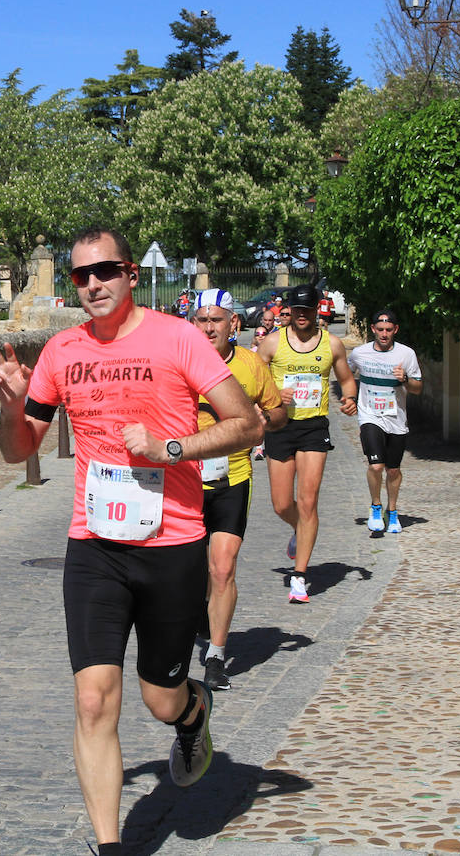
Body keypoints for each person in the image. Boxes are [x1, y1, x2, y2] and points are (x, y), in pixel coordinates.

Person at [0, 227, 263, 854]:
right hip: (95, 546)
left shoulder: (179, 338)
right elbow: (17, 452)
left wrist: (171, 449)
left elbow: (245, 424)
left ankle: (193, 714)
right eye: (80, 275)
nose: (92, 285)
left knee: (159, 698)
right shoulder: (60, 351)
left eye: (105, 271)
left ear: (131, 274)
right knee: (92, 699)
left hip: (172, 546)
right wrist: (11, 408)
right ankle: (110, 846)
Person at [191, 288, 286, 691]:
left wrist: (268, 419)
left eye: (216, 319)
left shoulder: (249, 364)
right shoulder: (180, 362)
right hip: (185, 479)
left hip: (233, 476)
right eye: (202, 320)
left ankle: (215, 654)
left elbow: (279, 412)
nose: (209, 326)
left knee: (223, 567)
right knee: (190, 572)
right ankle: (199, 614)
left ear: (234, 324)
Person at [256, 282, 358, 603]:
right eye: (297, 311)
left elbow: (345, 380)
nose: (301, 316)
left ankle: (300, 576)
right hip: (280, 426)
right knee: (282, 503)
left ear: (317, 311)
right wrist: (273, 397)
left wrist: (351, 398)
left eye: (307, 311)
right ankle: (299, 530)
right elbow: (252, 384)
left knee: (309, 499)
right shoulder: (271, 344)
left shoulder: (332, 345)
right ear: (289, 312)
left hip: (314, 426)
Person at [347, 309, 423, 533]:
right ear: (372, 329)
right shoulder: (359, 354)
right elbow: (345, 373)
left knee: (393, 470)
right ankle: (375, 506)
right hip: (369, 416)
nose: (384, 334)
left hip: (396, 419)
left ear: (395, 330)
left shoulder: (406, 354)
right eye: (380, 330)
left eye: (388, 330)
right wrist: (349, 397)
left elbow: (418, 388)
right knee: (376, 465)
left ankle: (393, 511)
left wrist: (406, 379)